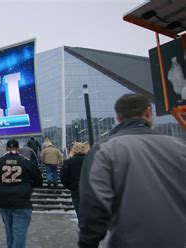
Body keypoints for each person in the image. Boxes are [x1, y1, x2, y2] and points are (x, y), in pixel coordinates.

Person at [78, 93, 186, 248]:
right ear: (148, 113)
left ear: (118, 119)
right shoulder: (180, 147)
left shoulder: (104, 150)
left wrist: (88, 242)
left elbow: (94, 204)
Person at [0, 139, 42, 248]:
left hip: (4, 203)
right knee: (19, 233)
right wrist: (28, 187)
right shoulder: (26, 162)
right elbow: (39, 180)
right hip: (22, 202)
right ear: (18, 149)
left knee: (10, 233)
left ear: (7, 149)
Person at [60, 142, 89, 218]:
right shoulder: (91, 160)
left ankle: (83, 227)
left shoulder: (69, 162)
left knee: (80, 214)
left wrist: (70, 186)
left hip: (76, 190)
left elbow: (63, 177)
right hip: (91, 191)